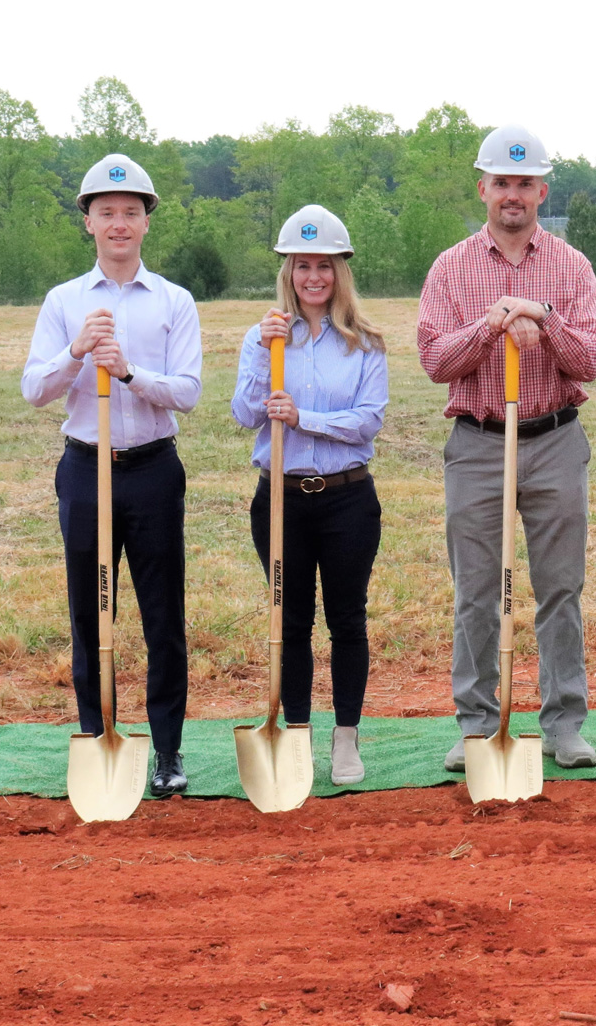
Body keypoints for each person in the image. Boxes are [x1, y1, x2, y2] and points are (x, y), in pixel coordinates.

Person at [416, 124, 596, 771]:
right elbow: (434, 359)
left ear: (541, 190)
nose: (513, 195)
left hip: (554, 438)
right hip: (476, 444)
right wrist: (490, 325)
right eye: (502, 182)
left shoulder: (571, 267)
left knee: (560, 589)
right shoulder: (450, 267)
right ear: (484, 188)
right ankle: (476, 723)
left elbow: (593, 358)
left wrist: (546, 321)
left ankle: (563, 724)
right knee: (476, 591)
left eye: (525, 184)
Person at [21, 155, 201, 796]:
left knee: (162, 618)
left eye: (130, 212)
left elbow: (187, 392)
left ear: (145, 222)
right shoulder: (64, 302)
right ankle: (99, 738)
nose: (118, 224)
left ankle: (169, 753)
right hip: (84, 469)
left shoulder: (174, 301)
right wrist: (75, 353)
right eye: (106, 213)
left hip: (153, 471)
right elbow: (33, 390)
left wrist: (126, 372)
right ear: (89, 223)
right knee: (90, 615)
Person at [231, 205, 388, 785]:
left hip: (348, 499)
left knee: (346, 619)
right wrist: (263, 359)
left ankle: (345, 736)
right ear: (288, 271)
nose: (313, 277)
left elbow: (367, 421)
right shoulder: (264, 336)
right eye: (302, 265)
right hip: (280, 499)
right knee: (290, 618)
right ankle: (295, 733)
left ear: (340, 271)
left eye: (324, 265)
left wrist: (304, 418)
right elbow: (245, 412)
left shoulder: (366, 342)